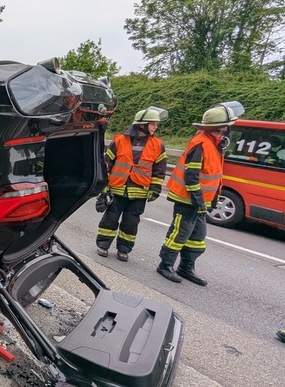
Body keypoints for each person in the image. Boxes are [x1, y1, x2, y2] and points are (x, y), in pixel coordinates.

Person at [156, 102, 243, 285]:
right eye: (226, 126)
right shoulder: (201, 143)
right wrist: (198, 199)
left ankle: (186, 267)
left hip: (201, 201)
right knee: (179, 233)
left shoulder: (214, 144)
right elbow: (191, 175)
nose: (228, 129)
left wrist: (207, 201)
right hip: (188, 200)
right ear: (220, 127)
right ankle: (165, 265)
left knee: (197, 237)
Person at [95, 106, 168, 261]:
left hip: (139, 193)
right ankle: (103, 245)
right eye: (153, 124)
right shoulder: (119, 141)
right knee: (110, 219)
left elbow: (159, 170)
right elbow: (106, 165)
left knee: (131, 223)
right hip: (117, 189)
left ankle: (124, 249)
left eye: (156, 124)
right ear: (142, 125)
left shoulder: (158, 145)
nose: (155, 127)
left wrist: (155, 188)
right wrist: (104, 188)